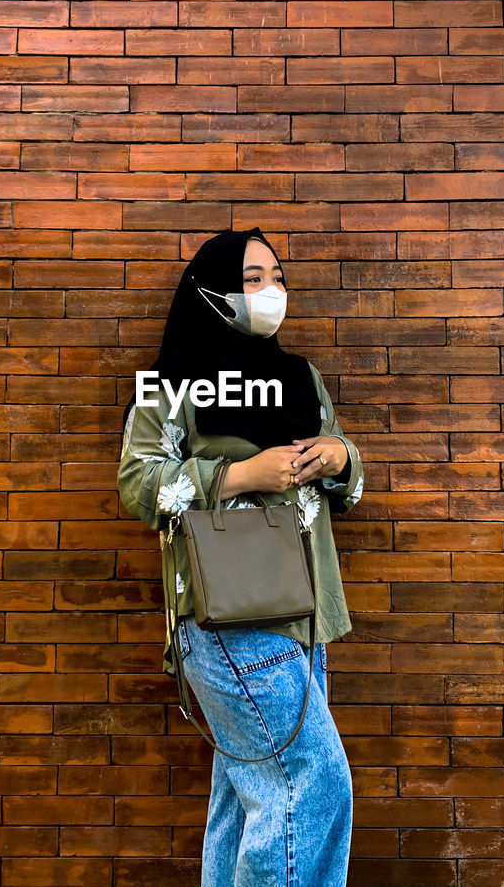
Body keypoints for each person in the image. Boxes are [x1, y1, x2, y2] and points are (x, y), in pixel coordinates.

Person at [116, 227, 364, 887]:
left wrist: (339, 458)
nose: (271, 291)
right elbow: (138, 483)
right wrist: (241, 475)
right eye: (253, 278)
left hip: (304, 611)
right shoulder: (169, 386)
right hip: (230, 613)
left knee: (250, 795)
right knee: (309, 783)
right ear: (214, 290)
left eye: (277, 277)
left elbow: (348, 482)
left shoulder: (300, 378)